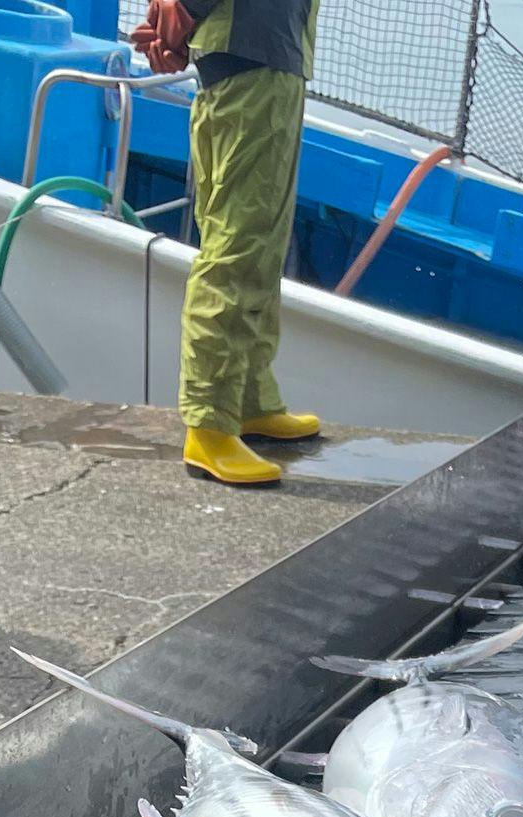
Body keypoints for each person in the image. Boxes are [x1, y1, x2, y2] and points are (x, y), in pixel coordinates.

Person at [133, 0, 322, 487]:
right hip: (253, 67)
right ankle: (210, 426)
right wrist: (182, 12)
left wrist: (179, 21)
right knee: (237, 248)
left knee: (260, 243)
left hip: (262, 63)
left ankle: (248, 400)